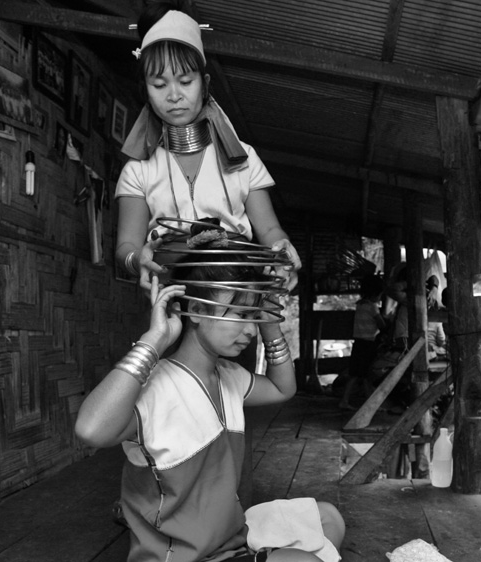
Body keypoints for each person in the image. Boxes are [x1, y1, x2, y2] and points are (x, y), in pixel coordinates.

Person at [75, 234, 344, 561]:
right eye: (240, 315)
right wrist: (154, 339)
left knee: (329, 518)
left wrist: (268, 318)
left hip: (232, 536)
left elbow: (282, 388)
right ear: (198, 310)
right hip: (186, 556)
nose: (249, 331)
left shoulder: (229, 376)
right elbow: (91, 429)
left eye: (252, 317)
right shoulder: (158, 387)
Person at [114, 2, 301, 292]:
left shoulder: (245, 158)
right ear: (145, 90)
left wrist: (281, 248)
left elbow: (268, 230)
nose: (174, 95)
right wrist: (137, 258)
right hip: (172, 295)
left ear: (205, 83)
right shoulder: (137, 170)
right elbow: (126, 245)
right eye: (159, 85)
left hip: (236, 297)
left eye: (185, 81)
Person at [340, 275, 386, 410]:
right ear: (375, 294)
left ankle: (370, 404)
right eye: (380, 295)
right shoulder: (372, 307)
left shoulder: (360, 305)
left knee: (361, 375)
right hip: (367, 345)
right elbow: (382, 325)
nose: (380, 298)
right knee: (361, 375)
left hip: (358, 343)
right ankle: (346, 401)